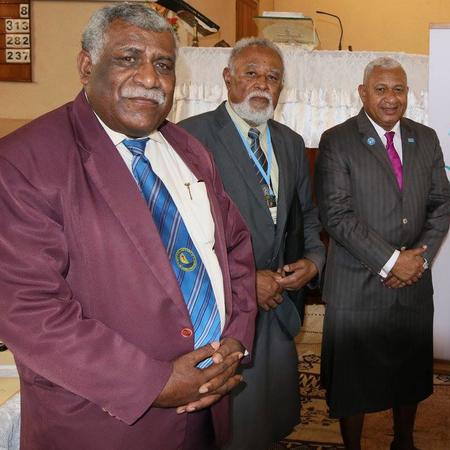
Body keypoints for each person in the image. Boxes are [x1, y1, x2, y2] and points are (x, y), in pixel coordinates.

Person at [0, 4, 257, 449]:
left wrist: (233, 341)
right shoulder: (25, 162)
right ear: (86, 66)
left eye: (163, 64)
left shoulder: (188, 150)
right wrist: (154, 383)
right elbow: (29, 310)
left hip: (206, 408)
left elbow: (234, 247)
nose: (150, 78)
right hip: (104, 424)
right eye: (127, 58)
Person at [179, 37, 325, 450]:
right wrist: (245, 281)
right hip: (223, 306)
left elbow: (306, 215)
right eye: (251, 73)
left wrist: (313, 260)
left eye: (273, 77)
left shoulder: (291, 143)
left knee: (272, 410)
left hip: (278, 303)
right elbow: (182, 236)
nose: (262, 84)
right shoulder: (190, 138)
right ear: (227, 78)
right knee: (230, 420)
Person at [314, 57, 450, 450]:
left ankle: (403, 441)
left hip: (412, 283)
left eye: (399, 89)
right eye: (381, 89)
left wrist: (418, 260)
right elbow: (336, 216)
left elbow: (442, 203)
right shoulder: (337, 140)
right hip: (358, 283)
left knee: (407, 374)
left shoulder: (424, 138)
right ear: (362, 93)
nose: (391, 98)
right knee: (353, 382)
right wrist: (393, 261)